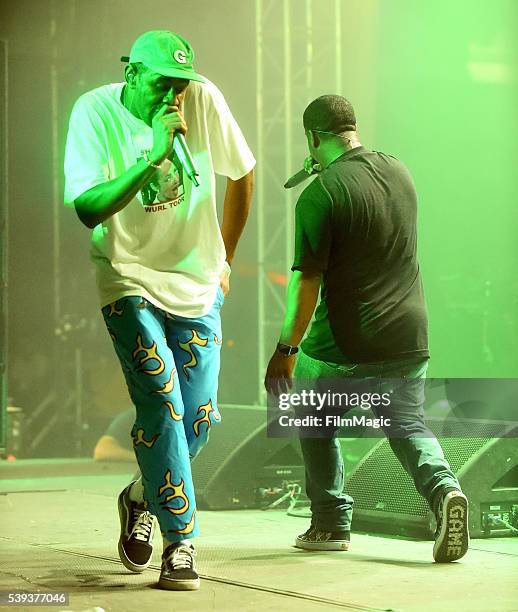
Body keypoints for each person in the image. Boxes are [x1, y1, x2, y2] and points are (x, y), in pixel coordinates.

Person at [64, 30, 255, 591]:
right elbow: (86, 207)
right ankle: (181, 544)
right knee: (161, 396)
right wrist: (150, 158)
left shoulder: (203, 99)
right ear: (131, 76)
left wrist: (226, 258)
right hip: (126, 276)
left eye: (182, 86)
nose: (175, 98)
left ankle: (142, 494)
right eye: (163, 86)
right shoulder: (94, 113)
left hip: (197, 281)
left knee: (197, 419)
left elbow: (242, 172)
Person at [265, 94, 469, 563]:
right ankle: (444, 492)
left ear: (312, 138)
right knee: (407, 423)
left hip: (346, 339)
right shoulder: (400, 171)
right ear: (352, 128)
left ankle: (330, 522)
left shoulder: (319, 195)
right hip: (407, 332)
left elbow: (307, 280)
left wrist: (286, 349)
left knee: (312, 415)